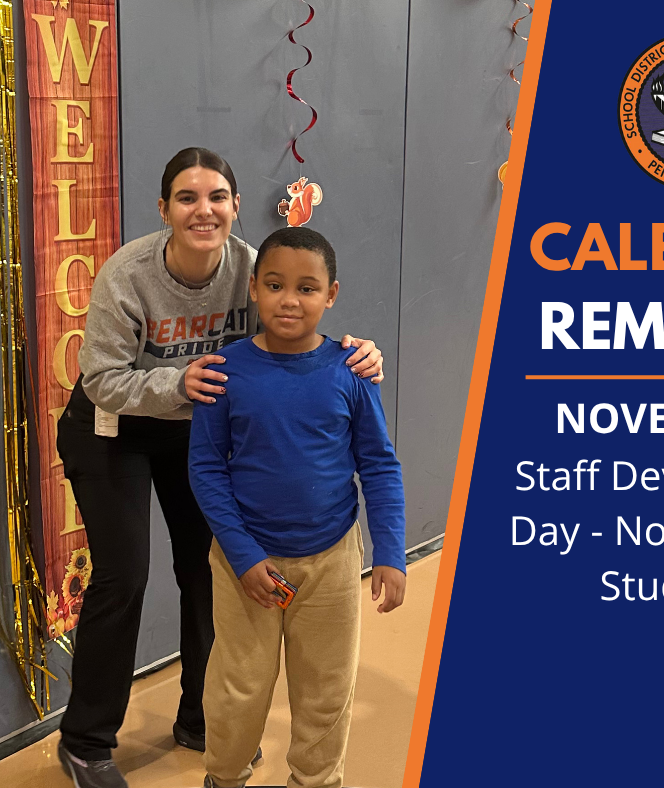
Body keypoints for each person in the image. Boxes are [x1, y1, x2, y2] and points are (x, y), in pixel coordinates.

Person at [55, 148, 384, 788]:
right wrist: (178, 381)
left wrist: (356, 351)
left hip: (193, 426)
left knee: (209, 569)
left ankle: (200, 720)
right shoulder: (128, 274)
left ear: (234, 207)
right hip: (113, 428)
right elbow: (100, 379)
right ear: (164, 209)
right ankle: (86, 741)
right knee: (124, 575)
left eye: (216, 198)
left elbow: (296, 318)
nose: (202, 211)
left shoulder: (250, 268)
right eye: (187, 198)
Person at [188, 227, 407, 788]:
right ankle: (225, 777)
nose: (290, 300)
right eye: (275, 285)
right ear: (253, 289)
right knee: (239, 687)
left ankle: (316, 780)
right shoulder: (223, 371)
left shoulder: (351, 371)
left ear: (331, 295)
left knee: (326, 690)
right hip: (244, 563)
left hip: (331, 560)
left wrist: (390, 551)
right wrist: (243, 556)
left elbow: (379, 465)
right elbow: (207, 469)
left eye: (307, 288)